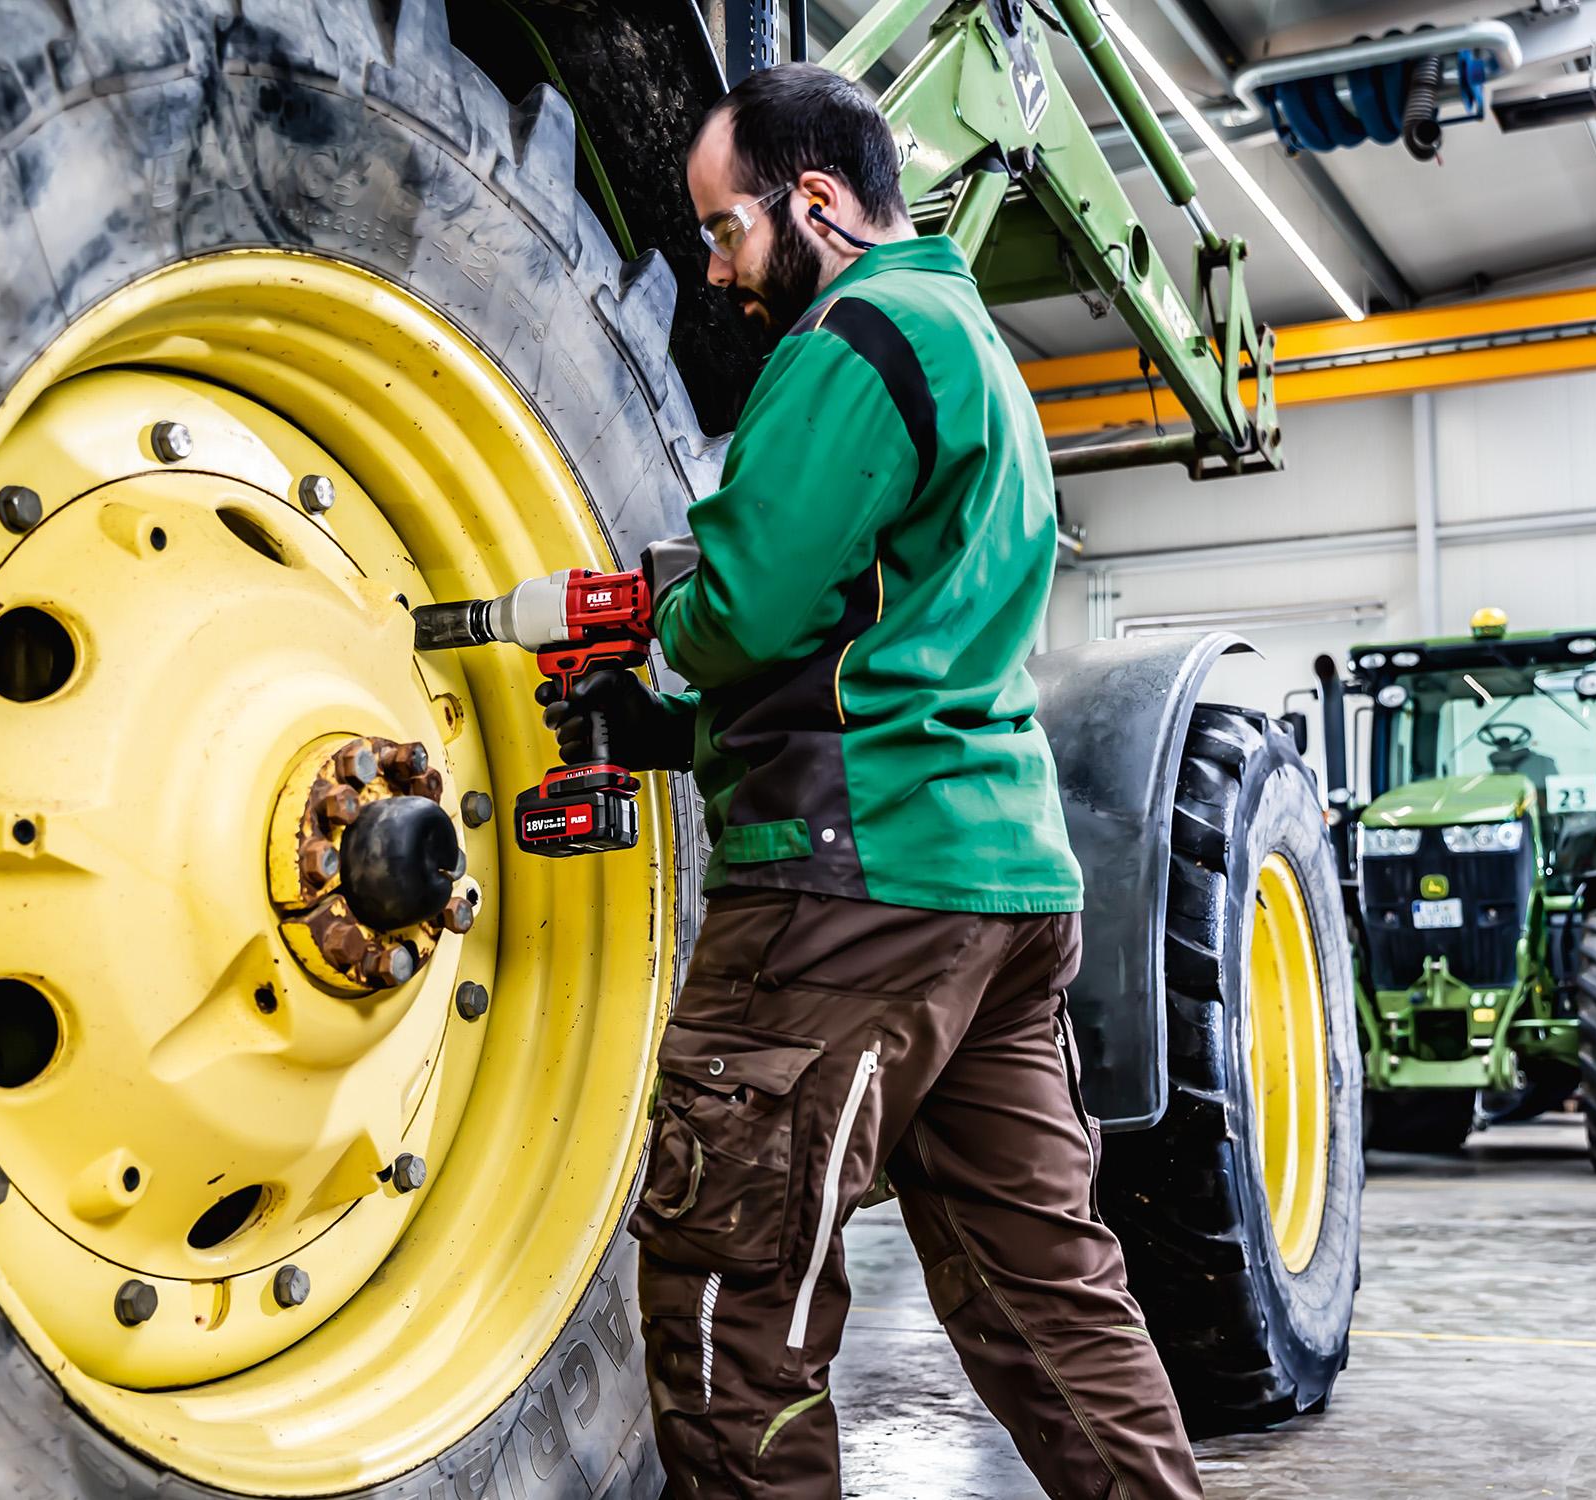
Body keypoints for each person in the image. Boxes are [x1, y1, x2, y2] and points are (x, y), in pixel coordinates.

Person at [544, 62, 1204, 1500]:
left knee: (733, 1298)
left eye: (724, 233)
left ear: (820, 201)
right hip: (999, 891)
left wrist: (651, 631)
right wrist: (669, 733)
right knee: (1053, 1302)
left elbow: (757, 603)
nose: (718, 276)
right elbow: (877, 648)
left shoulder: (856, 336)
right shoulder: (972, 346)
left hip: (851, 899)